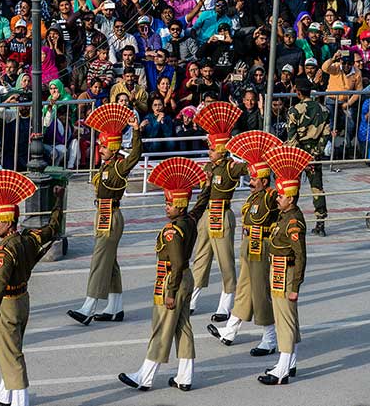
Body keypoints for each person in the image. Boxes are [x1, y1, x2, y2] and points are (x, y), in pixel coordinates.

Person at [0, 171, 63, 406]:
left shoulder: (4, 253)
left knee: (13, 356)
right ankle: (5, 393)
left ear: (8, 221)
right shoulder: (29, 239)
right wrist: (58, 201)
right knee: (10, 351)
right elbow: (52, 228)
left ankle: (20, 401)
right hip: (24, 300)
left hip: (9, 305)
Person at [118, 157, 209, 392]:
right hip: (186, 278)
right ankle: (184, 376)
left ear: (179, 205)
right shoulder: (189, 219)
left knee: (162, 328)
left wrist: (170, 292)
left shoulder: (172, 231)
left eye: (169, 204)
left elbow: (176, 264)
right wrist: (207, 188)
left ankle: (144, 377)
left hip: (173, 280)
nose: (165, 207)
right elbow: (199, 206)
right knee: (183, 328)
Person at [67, 104, 145, 325]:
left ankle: (88, 306)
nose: (99, 149)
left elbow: (136, 155)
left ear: (113, 147)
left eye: (103, 146)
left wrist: (136, 131)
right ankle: (115, 307)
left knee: (99, 261)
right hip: (102, 213)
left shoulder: (119, 166)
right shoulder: (107, 165)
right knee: (110, 262)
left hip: (110, 215)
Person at [207, 130, 282, 356]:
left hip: (262, 246)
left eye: (254, 179)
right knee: (243, 289)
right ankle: (229, 331)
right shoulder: (254, 196)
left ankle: (269, 339)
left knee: (260, 294)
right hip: (250, 245)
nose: (250, 182)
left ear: (265, 180)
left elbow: (285, 197)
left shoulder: (270, 196)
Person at [189, 101, 249, 320]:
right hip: (207, 215)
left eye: (212, 148)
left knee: (225, 260)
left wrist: (253, 158)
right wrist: (194, 214)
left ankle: (226, 304)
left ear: (222, 150)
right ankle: (192, 300)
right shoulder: (209, 167)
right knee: (201, 257)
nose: (209, 151)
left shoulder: (231, 167)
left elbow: (251, 166)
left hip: (222, 215)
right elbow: (204, 193)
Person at [257, 145, 311, 385]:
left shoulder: (293, 223)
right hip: (278, 269)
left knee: (285, 320)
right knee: (287, 319)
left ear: (290, 197)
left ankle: (282, 370)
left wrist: (295, 285)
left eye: (280, 195)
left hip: (285, 273)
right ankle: (290, 363)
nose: (277, 198)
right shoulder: (285, 216)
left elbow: (301, 256)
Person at [286, 78, 331, 236]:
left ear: (298, 92)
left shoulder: (294, 111)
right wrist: (315, 153)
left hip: (298, 155)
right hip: (314, 154)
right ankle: (320, 223)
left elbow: (292, 139)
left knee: (293, 187)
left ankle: (291, 219)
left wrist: (298, 155)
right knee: (317, 188)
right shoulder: (323, 110)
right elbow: (326, 135)